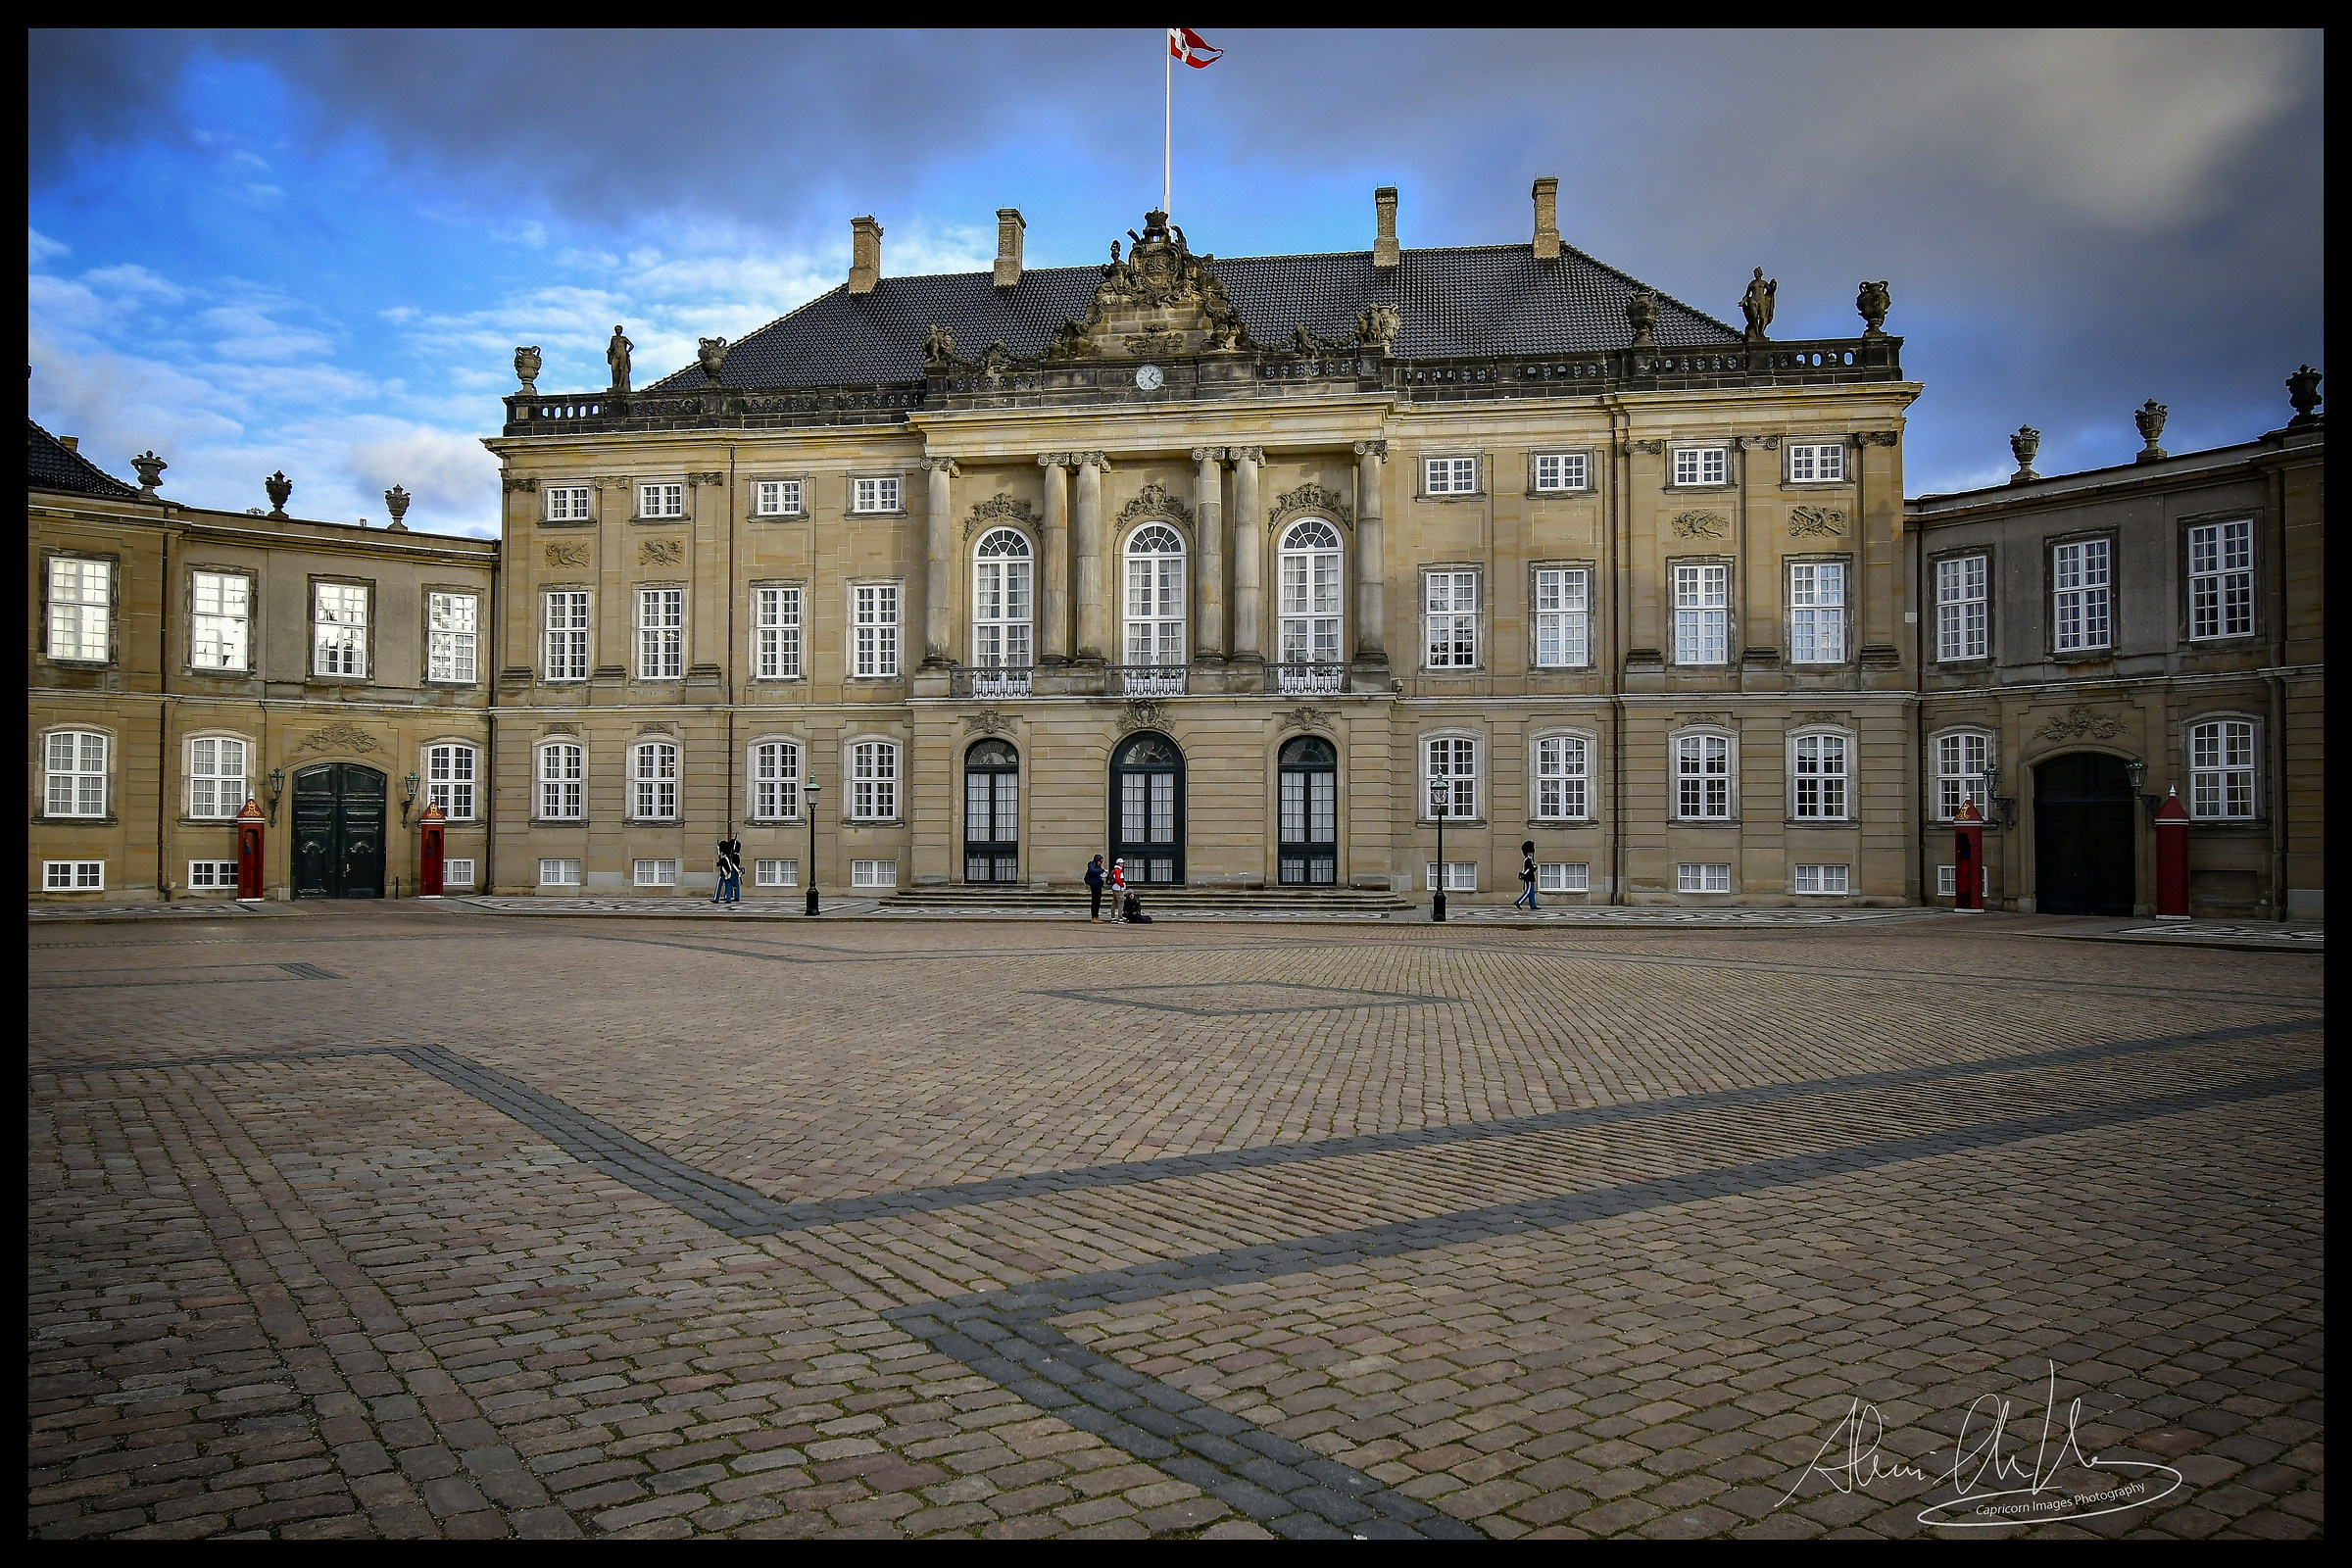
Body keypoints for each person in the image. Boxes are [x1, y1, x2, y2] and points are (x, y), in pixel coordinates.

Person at [713, 836, 742, 904]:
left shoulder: (730, 856)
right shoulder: (734, 855)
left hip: (727, 872)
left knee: (721, 885)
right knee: (732, 885)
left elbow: (725, 864)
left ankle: (717, 898)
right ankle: (729, 898)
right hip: (732, 872)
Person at [1514, 839, 1539, 911]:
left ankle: (1533, 905)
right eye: (1530, 852)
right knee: (1528, 891)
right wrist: (1534, 866)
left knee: (1531, 892)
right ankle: (1519, 902)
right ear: (1527, 852)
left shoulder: (1528, 859)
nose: (1531, 853)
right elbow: (1530, 868)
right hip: (1529, 877)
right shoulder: (1527, 860)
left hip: (1529, 877)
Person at [1085, 854, 1106, 920]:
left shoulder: (1098, 867)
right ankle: (1093, 916)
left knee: (1098, 902)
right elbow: (1093, 871)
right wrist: (1103, 870)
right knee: (1094, 901)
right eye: (1099, 861)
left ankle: (1096, 916)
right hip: (1094, 885)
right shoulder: (1091, 865)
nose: (1100, 863)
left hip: (1098, 885)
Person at [1108, 858, 1129, 924]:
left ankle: (1113, 917)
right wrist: (1122, 885)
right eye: (1121, 863)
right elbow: (1118, 879)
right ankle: (1120, 917)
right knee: (1120, 903)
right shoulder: (1118, 870)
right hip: (1119, 888)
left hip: (1116, 888)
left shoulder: (1116, 870)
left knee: (1114, 903)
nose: (1122, 864)